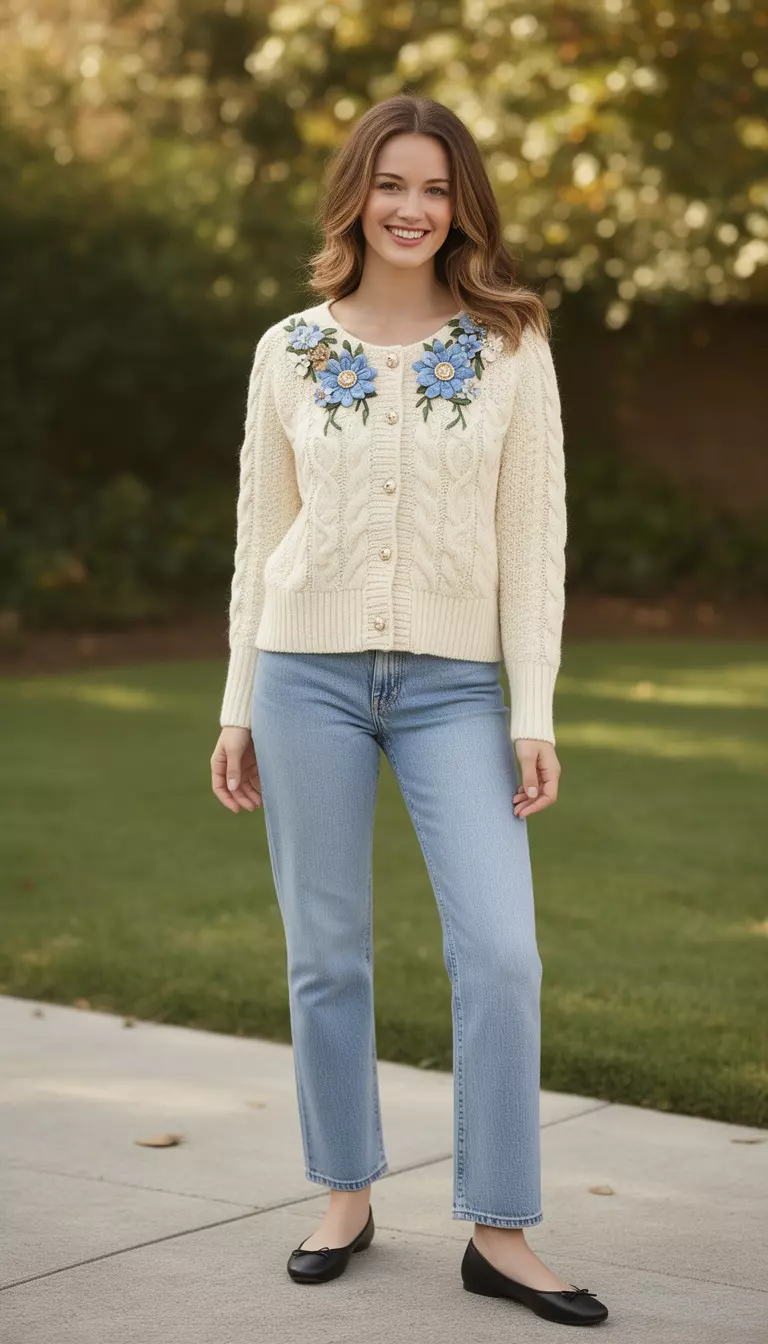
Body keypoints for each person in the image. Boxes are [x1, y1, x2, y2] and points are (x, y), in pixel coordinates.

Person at [210, 94, 608, 1328]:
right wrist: (236, 705)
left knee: (502, 953)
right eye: (392, 183)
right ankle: (345, 1197)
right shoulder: (289, 350)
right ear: (356, 194)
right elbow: (258, 539)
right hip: (303, 676)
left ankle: (501, 1229)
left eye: (436, 188)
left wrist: (533, 712)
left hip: (456, 689)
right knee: (325, 952)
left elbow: (533, 541)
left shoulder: (510, 346)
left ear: (462, 206)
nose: (412, 208)